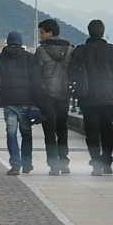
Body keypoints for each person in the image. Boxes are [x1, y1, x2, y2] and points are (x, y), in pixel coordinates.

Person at [70, 20, 113, 176]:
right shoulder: (112, 50)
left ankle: (96, 163)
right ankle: (107, 162)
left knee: (92, 131)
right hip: (109, 96)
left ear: (89, 32)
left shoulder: (80, 51)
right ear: (102, 32)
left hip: (88, 96)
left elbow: (72, 73)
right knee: (107, 130)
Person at [0, 31, 40, 175]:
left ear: (7, 42)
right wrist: (37, 104)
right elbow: (36, 82)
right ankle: (27, 164)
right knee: (26, 133)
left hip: (9, 101)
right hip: (26, 101)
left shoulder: (0, 59)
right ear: (20, 42)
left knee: (11, 133)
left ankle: (15, 164)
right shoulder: (30, 58)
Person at [34, 19, 74, 176]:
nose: (41, 35)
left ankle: (53, 165)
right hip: (64, 95)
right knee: (62, 130)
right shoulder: (70, 49)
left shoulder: (40, 51)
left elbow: (36, 76)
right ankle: (64, 163)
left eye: (42, 32)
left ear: (50, 32)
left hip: (46, 96)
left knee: (49, 132)